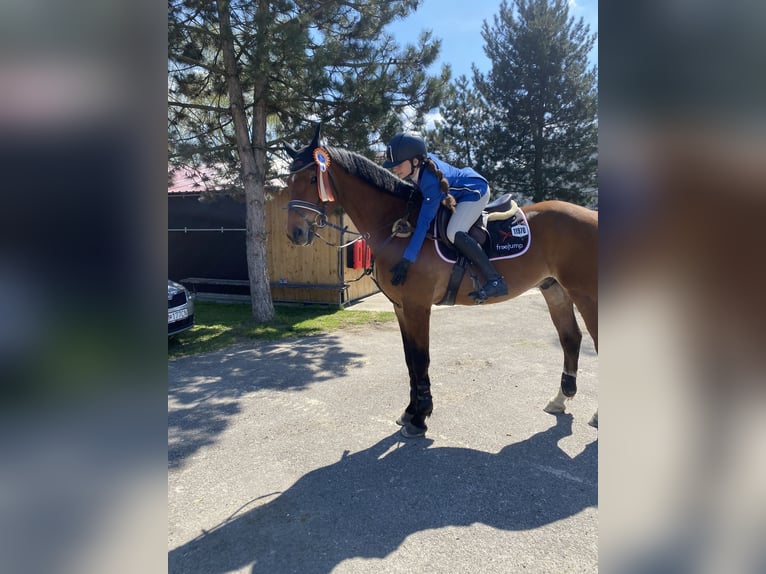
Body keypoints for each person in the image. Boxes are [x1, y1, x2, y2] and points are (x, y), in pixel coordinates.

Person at [383, 132, 508, 301]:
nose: (394, 168)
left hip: (476, 191)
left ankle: (495, 280)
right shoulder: (420, 167)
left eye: (398, 164)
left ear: (415, 161)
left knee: (454, 231)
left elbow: (423, 224)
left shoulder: (431, 183)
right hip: (461, 189)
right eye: (393, 165)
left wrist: (407, 259)